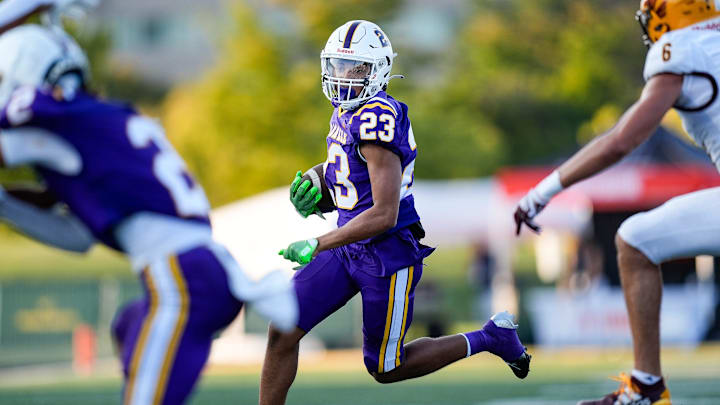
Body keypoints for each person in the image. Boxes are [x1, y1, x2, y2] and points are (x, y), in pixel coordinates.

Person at [0, 24, 298, 405]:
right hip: (201, 269)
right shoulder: (104, 121)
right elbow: (75, 236)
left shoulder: (66, 124)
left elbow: (13, 143)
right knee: (129, 327)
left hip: (182, 281)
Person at [260, 20, 531, 405]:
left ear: (379, 70)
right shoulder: (346, 111)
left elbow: (383, 212)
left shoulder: (378, 119)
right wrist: (316, 185)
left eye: (356, 69)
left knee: (387, 367)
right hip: (347, 245)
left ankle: (490, 337)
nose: (344, 77)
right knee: (283, 329)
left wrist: (317, 243)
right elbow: (349, 177)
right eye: (338, 66)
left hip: (386, 253)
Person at [514, 1, 720, 404]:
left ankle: (645, 386)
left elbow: (623, 140)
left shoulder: (679, 49)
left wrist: (544, 191)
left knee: (635, 239)